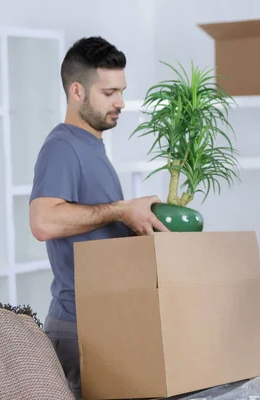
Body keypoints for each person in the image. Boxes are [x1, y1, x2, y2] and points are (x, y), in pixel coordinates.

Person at [28, 36, 169, 399]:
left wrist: (133, 222)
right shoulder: (63, 146)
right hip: (78, 325)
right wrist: (122, 209)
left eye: (121, 91)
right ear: (77, 90)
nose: (120, 102)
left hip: (103, 320)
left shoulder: (91, 146)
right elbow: (43, 221)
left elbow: (94, 231)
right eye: (109, 93)